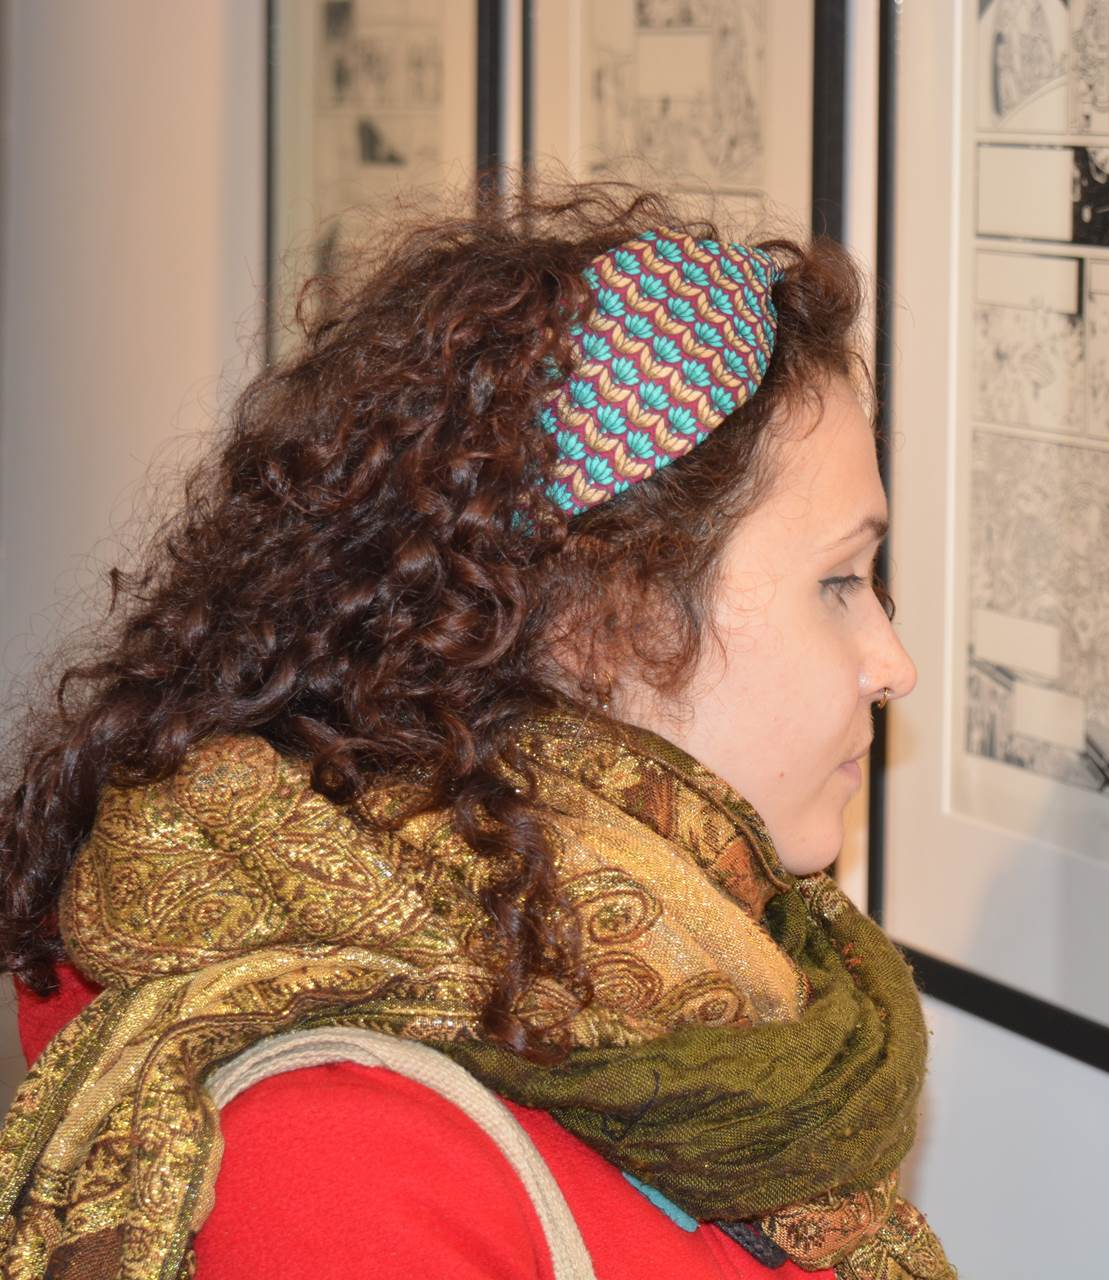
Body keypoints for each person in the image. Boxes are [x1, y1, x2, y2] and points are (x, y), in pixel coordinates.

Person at [0, 186, 951, 1280]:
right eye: (839, 580)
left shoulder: (738, 992)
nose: (893, 664)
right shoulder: (336, 1169)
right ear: (603, 614)